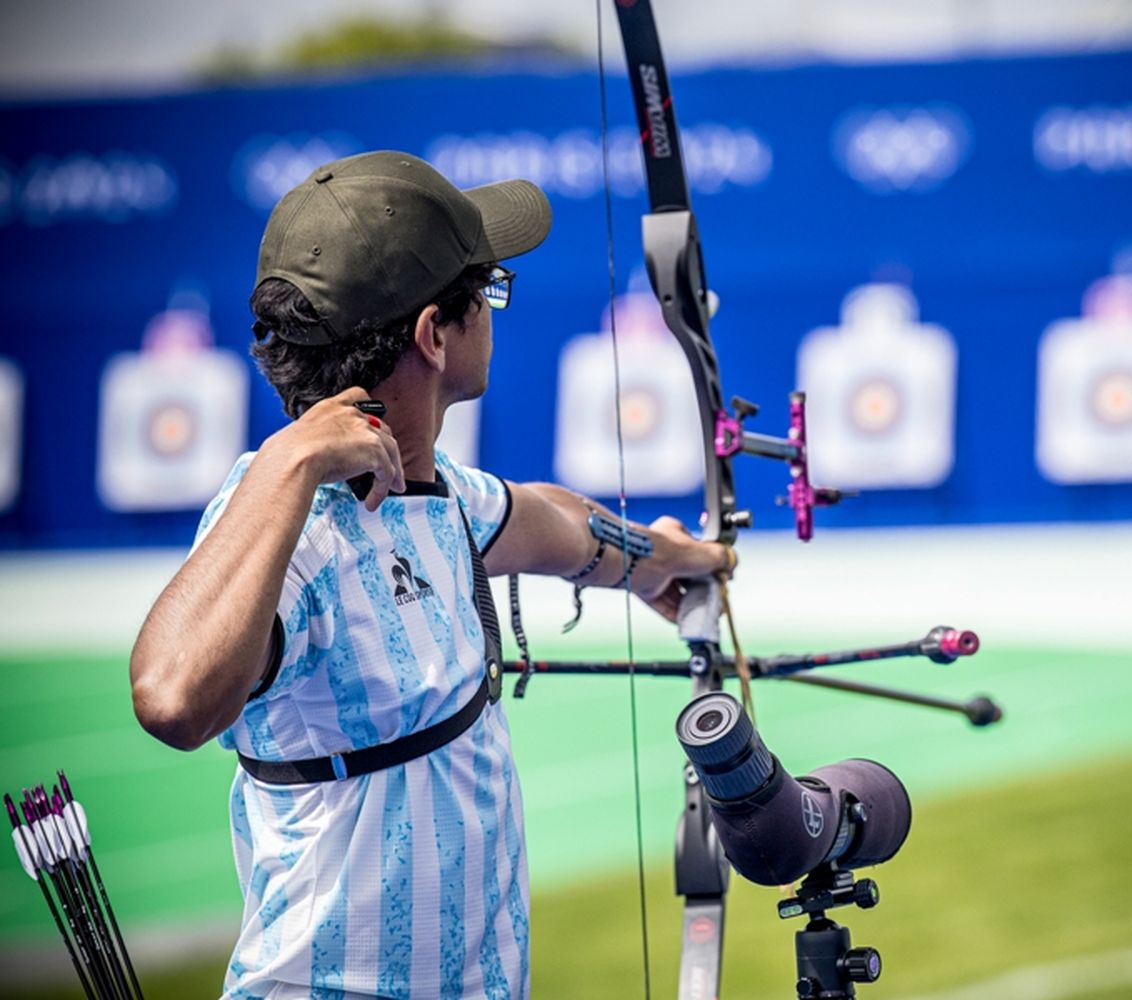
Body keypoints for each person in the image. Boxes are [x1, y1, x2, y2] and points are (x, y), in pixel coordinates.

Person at [129, 150, 731, 999]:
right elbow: (171, 697)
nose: (492, 314)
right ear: (433, 335)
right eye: (483, 296)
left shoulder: (435, 494)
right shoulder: (289, 530)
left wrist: (664, 560)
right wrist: (285, 465)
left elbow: (549, 520)